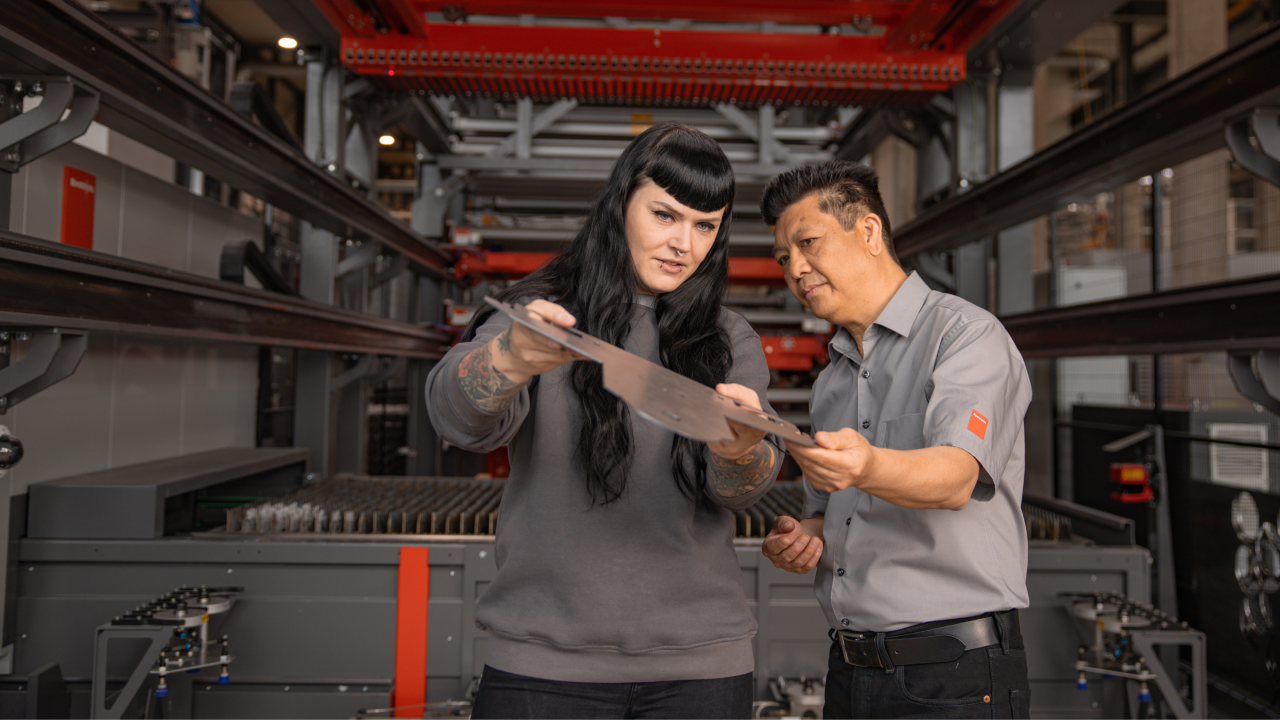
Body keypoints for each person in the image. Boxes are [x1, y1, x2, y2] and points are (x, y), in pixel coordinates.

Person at [426, 122, 783, 719]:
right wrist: (510, 359)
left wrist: (741, 449)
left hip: (700, 668)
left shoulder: (728, 338)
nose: (684, 245)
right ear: (621, 205)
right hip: (542, 664)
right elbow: (455, 419)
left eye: (705, 226)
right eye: (665, 215)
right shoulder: (539, 315)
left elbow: (742, 489)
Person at [758, 161, 1033, 719]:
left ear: (868, 232)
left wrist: (864, 465)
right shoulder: (831, 380)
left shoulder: (966, 338)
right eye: (785, 258)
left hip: (952, 676)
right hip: (853, 669)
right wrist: (806, 535)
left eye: (808, 243)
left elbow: (956, 477)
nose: (796, 269)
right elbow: (834, 512)